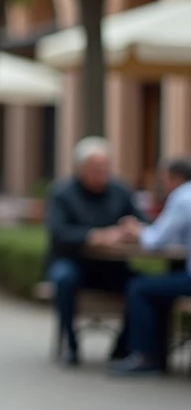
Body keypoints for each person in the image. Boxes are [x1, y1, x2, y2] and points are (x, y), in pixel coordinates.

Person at [44, 136, 147, 365]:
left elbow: (142, 222)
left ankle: (123, 346)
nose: (101, 174)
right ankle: (70, 344)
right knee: (64, 279)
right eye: (95, 169)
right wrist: (93, 236)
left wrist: (132, 229)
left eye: (105, 168)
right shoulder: (62, 193)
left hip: (112, 266)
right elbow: (58, 231)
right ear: (81, 168)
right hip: (74, 262)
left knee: (142, 285)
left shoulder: (120, 191)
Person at [111, 158, 191, 375]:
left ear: (175, 178)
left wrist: (136, 231)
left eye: (164, 179)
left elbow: (155, 241)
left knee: (140, 288)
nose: (162, 185)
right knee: (160, 287)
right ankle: (158, 355)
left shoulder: (182, 197)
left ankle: (145, 357)